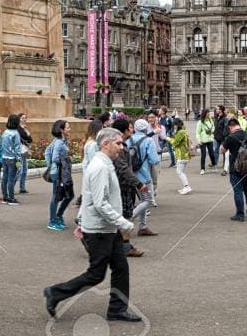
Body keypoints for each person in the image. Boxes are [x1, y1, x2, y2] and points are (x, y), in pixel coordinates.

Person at [42, 127, 142, 323]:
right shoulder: (100, 167)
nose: (122, 147)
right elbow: (99, 202)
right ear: (106, 144)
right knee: (96, 274)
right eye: (118, 143)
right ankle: (55, 293)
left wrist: (81, 220)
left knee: (121, 268)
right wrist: (124, 223)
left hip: (105, 228)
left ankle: (117, 310)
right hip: (100, 230)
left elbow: (87, 197)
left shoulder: (105, 163)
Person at [109, 120, 148, 257]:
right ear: (124, 131)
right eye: (130, 128)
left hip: (123, 185)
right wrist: (138, 183)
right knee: (124, 215)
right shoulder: (119, 148)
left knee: (122, 214)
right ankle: (125, 246)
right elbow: (123, 168)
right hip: (121, 186)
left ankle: (121, 244)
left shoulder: (122, 146)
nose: (132, 130)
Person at [127, 120, 161, 236]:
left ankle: (143, 226)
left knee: (142, 200)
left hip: (130, 175)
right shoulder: (148, 140)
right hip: (144, 175)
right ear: (146, 128)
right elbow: (154, 160)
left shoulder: (128, 140)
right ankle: (127, 220)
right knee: (148, 201)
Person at [224, 116, 247, 221]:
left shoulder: (230, 137)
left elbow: (222, 151)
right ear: (239, 125)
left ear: (231, 127)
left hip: (235, 168)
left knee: (238, 191)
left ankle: (240, 214)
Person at [46, 120, 74, 231]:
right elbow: (55, 158)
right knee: (57, 197)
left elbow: (47, 151)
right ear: (61, 130)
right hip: (58, 173)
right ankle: (52, 221)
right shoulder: (59, 142)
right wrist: (66, 160)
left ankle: (57, 216)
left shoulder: (61, 140)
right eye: (68, 127)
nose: (70, 129)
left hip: (60, 172)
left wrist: (50, 165)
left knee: (68, 195)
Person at [0, 114, 24, 204]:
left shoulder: (5, 132)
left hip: (4, 157)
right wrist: (19, 159)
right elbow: (17, 148)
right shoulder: (16, 133)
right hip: (12, 158)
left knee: (5, 178)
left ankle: (5, 197)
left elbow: (1, 144)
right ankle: (11, 198)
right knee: (11, 178)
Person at [169, 123, 193, 194]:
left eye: (175, 125)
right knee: (181, 171)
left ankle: (187, 187)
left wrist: (168, 138)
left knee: (180, 172)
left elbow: (175, 143)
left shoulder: (180, 132)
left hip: (182, 155)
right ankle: (186, 186)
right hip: (185, 154)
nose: (174, 126)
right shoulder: (184, 131)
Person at [195, 109, 216, 174]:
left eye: (209, 114)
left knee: (211, 153)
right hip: (203, 140)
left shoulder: (210, 120)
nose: (209, 115)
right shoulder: (200, 122)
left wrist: (212, 131)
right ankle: (202, 169)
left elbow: (213, 127)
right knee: (203, 155)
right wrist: (199, 140)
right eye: (208, 114)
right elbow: (197, 132)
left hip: (209, 139)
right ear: (204, 114)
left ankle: (214, 165)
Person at [17, 113, 33, 194]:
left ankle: (22, 188)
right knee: (19, 170)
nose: (24, 119)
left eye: (25, 118)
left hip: (24, 151)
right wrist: (25, 131)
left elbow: (30, 139)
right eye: (23, 118)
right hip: (19, 151)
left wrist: (26, 131)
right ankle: (10, 187)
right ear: (19, 119)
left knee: (24, 170)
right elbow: (25, 136)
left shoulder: (24, 128)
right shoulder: (17, 128)